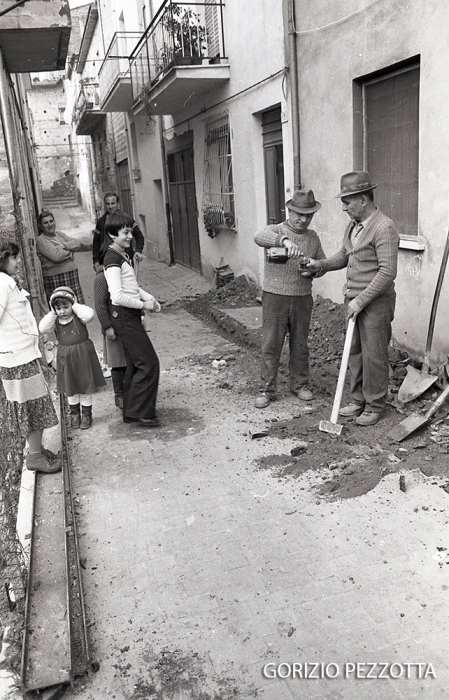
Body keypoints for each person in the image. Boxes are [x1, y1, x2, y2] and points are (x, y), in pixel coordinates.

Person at [307, 171, 400, 426]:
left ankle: (375, 405)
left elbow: (387, 272)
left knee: (374, 355)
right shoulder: (353, 226)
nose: (344, 208)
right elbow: (345, 254)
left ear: (362, 199)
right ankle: (358, 400)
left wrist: (361, 301)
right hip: (354, 300)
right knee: (356, 352)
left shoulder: (384, 227)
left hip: (375, 302)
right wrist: (321, 265)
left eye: (347, 202)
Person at [254, 189, 326, 408]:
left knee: (300, 345)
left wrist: (313, 270)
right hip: (275, 297)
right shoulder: (276, 230)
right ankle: (267, 389)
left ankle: (300, 385)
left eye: (308, 215)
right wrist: (284, 241)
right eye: (299, 214)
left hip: (302, 298)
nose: (303, 219)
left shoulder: (313, 238)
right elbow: (259, 237)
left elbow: (322, 263)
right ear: (290, 210)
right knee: (271, 345)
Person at [0, 238, 60, 473]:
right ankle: (34, 456)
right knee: (33, 408)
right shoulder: (2, 284)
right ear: (3, 259)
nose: (18, 262)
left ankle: (37, 450)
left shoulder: (7, 281)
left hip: (22, 355)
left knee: (35, 405)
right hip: (16, 359)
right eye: (14, 257)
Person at [103, 211, 161, 427]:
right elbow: (117, 296)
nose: (130, 236)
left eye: (130, 231)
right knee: (149, 363)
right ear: (112, 234)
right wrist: (143, 305)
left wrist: (148, 297)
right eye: (125, 233)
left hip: (128, 315)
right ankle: (143, 413)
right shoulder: (112, 259)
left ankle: (131, 411)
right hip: (125, 316)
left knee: (136, 365)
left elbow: (131, 286)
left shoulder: (121, 255)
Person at [38, 287, 106, 429]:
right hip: (65, 356)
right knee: (71, 385)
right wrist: (52, 313)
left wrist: (74, 304)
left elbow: (89, 315)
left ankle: (87, 414)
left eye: (66, 307)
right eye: (59, 308)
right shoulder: (55, 320)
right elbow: (42, 328)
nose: (62, 311)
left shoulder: (78, 317)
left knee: (85, 384)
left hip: (83, 353)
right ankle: (75, 414)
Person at [36, 210, 85, 304]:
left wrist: (63, 246)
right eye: (45, 223)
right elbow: (57, 256)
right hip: (56, 278)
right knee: (63, 308)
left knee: (77, 307)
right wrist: (71, 252)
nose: (49, 225)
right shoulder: (41, 240)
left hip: (71, 275)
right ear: (41, 226)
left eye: (51, 221)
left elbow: (77, 244)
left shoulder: (59, 234)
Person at [94, 268, 127, 409]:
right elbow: (100, 304)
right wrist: (107, 326)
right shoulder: (102, 278)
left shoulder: (124, 272)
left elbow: (134, 293)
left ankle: (132, 391)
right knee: (118, 362)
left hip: (129, 324)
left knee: (131, 361)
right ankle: (119, 394)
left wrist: (141, 314)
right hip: (114, 327)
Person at [92, 193, 145, 271]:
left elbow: (139, 236)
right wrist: (95, 260)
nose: (110, 206)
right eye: (107, 204)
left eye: (113, 203)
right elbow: (96, 242)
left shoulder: (126, 219)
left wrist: (138, 251)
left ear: (117, 204)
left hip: (124, 259)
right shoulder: (101, 222)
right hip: (105, 260)